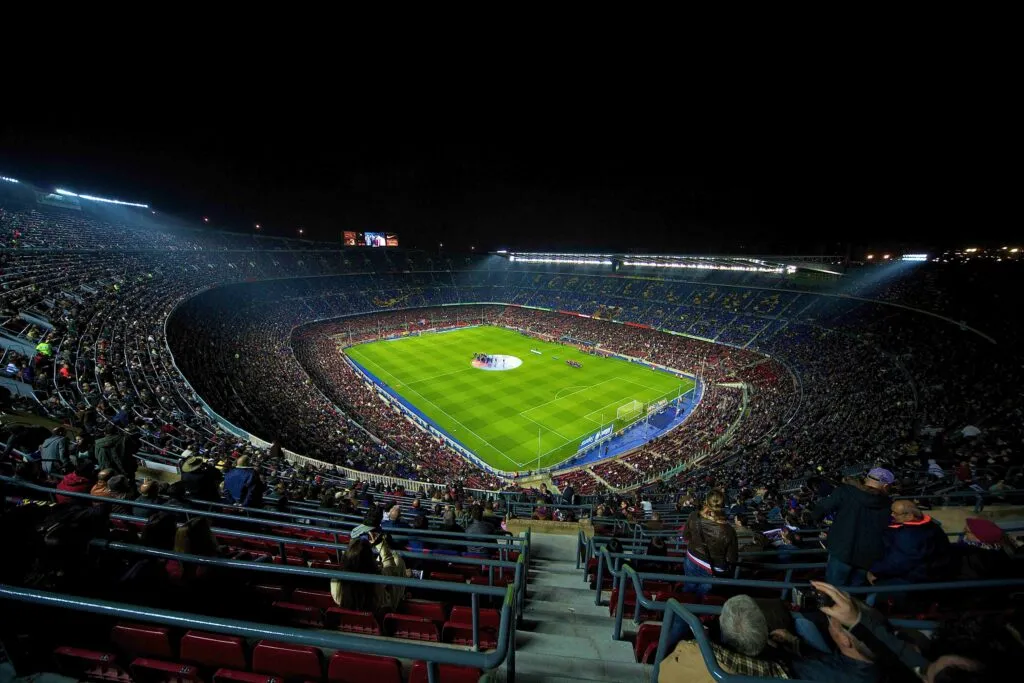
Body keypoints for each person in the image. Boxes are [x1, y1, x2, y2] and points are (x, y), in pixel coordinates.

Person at [808, 468, 893, 587]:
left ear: (866, 479)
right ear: (886, 486)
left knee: (835, 592)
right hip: (868, 557)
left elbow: (821, 509)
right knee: (855, 594)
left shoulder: (846, 492)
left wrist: (811, 518)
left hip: (841, 551)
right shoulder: (889, 504)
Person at [867, 501, 951, 588]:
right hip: (931, 573)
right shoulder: (931, 525)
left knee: (872, 595)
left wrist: (875, 570)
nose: (892, 515)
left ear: (909, 516)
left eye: (895, 513)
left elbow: (898, 562)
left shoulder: (909, 535)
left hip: (917, 579)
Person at [330, 523, 408, 615]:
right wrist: (380, 542)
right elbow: (389, 565)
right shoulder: (378, 581)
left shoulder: (335, 580)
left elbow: (351, 555)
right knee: (397, 561)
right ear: (370, 560)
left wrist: (356, 543)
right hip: (378, 615)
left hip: (350, 618)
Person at [682, 489, 737, 595]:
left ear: (706, 502)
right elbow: (731, 558)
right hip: (713, 568)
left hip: (692, 558)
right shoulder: (729, 530)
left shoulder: (694, 516)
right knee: (704, 596)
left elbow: (685, 536)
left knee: (689, 588)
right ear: (723, 505)